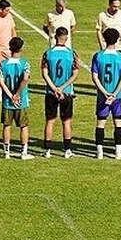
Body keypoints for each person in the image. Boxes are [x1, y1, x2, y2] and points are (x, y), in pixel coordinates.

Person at [41, 26, 79, 158]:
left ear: (55, 36)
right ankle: (67, 150)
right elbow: (75, 74)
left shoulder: (48, 53)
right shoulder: (71, 53)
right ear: (66, 37)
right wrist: (62, 88)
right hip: (66, 92)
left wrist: (54, 88)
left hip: (51, 92)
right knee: (66, 121)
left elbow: (45, 74)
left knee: (50, 121)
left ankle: (47, 150)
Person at [91, 27, 121, 160]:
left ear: (104, 39)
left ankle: (99, 152)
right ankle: (118, 152)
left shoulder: (98, 56)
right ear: (118, 39)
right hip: (117, 96)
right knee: (118, 122)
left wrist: (105, 93)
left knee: (100, 123)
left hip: (102, 96)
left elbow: (95, 77)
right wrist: (114, 93)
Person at [0, 36, 34, 160]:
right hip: (21, 100)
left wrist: (10, 96)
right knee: (24, 126)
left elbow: (1, 82)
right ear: (21, 48)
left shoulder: (3, 64)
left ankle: (6, 152)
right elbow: (25, 79)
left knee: (7, 125)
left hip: (7, 101)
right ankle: (24, 152)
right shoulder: (25, 64)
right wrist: (17, 95)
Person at [96, 0, 121, 100]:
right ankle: (105, 88)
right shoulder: (102, 15)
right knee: (105, 68)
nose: (116, 9)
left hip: (120, 46)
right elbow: (98, 30)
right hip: (107, 47)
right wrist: (102, 45)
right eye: (114, 6)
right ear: (109, 5)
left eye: (118, 6)